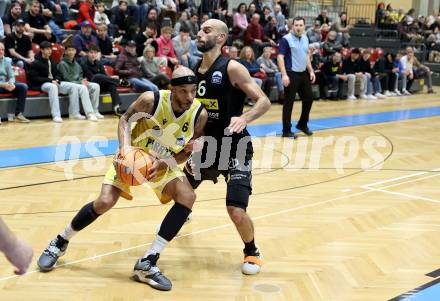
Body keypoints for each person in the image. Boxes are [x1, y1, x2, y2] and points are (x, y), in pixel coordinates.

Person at [37, 66, 208, 292]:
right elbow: (125, 119)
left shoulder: (199, 114)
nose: (189, 97)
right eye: (183, 91)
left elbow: (186, 152)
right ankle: (60, 241)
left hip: (161, 162)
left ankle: (147, 263)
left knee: (188, 196)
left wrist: (169, 161)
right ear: (172, 89)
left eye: (193, 91)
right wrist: (125, 147)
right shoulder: (151, 100)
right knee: (104, 202)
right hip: (133, 157)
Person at [184, 19, 271, 275]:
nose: (200, 33)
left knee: (235, 210)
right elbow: (194, 111)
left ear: (221, 38)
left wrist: (244, 118)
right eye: (199, 30)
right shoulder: (195, 69)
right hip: (206, 147)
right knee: (178, 192)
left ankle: (252, 251)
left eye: (207, 30)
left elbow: (263, 101)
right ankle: (182, 213)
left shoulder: (233, 68)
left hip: (235, 148)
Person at [277, 16, 315, 138]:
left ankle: (302, 124)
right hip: (291, 74)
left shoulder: (305, 38)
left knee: (309, 98)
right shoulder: (286, 39)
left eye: (300, 25)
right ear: (292, 26)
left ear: (304, 27)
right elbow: (280, 57)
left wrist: (311, 71)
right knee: (289, 103)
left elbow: (306, 56)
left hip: (303, 74)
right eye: (296, 25)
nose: (298, 27)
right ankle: (286, 131)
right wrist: (284, 75)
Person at [28, 41, 82, 123]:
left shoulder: (52, 61)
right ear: (41, 50)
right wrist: (51, 81)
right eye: (47, 49)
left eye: (50, 49)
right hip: (41, 84)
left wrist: (57, 79)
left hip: (53, 82)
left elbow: (58, 74)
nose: (49, 51)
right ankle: (56, 115)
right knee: (52, 87)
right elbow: (34, 78)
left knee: (73, 86)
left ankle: (74, 113)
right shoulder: (35, 62)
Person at [57, 43, 102, 121]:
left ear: (75, 52)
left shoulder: (77, 64)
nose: (71, 52)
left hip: (78, 84)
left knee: (95, 86)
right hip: (66, 84)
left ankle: (95, 110)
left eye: (73, 50)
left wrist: (82, 80)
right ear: (65, 52)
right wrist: (80, 82)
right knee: (83, 87)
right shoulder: (62, 64)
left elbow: (80, 74)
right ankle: (90, 113)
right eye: (69, 50)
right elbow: (67, 78)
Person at [80, 45, 122, 116]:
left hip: (100, 84)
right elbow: (91, 78)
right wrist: (111, 78)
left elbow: (104, 76)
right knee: (97, 76)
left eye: (95, 53)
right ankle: (119, 82)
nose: (93, 55)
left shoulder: (99, 63)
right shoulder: (83, 64)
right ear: (87, 53)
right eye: (91, 53)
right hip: (90, 85)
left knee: (112, 85)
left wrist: (110, 78)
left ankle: (116, 107)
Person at [0, 41, 30, 124]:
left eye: (2, 49)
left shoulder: (7, 60)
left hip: (6, 84)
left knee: (23, 86)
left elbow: (12, 76)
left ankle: (19, 114)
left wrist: (11, 83)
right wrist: (3, 85)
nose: (1, 51)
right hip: (1, 85)